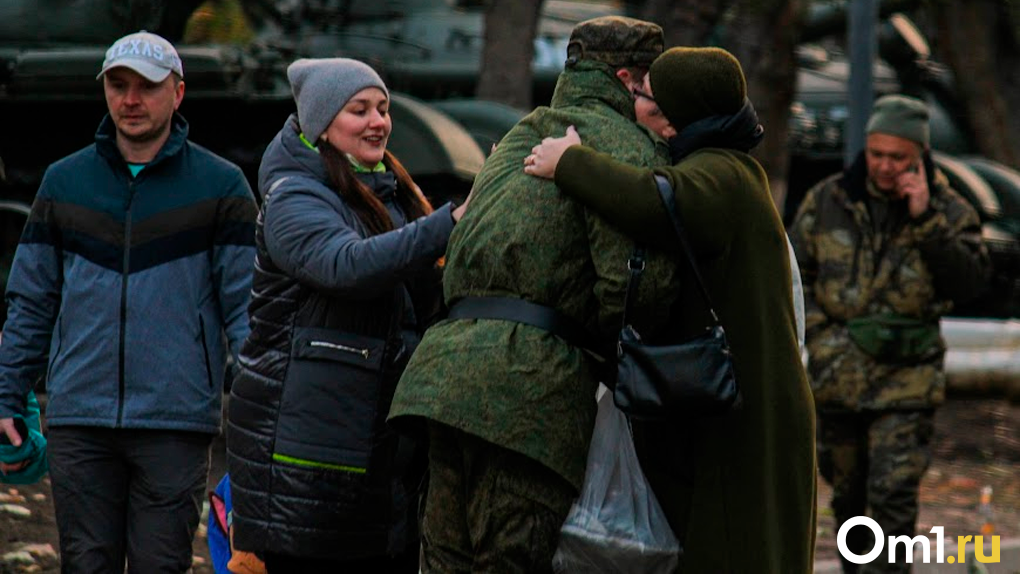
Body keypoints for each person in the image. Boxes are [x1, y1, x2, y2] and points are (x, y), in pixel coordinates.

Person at [388, 16, 683, 573]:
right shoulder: (626, 147)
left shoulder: (517, 138)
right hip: (529, 390)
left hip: (441, 379)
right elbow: (636, 290)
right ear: (627, 78)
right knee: (510, 557)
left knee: (448, 558)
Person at [525, 46, 817, 573]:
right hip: (738, 405)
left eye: (646, 97)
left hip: (739, 415)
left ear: (678, 113)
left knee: (735, 546)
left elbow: (659, 203)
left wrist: (570, 162)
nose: (637, 103)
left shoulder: (723, 174)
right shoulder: (730, 168)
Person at [0, 30, 258, 572]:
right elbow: (31, 301)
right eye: (119, 85)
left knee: (159, 565)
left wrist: (263, 415)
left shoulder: (222, 186)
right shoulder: (64, 182)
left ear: (178, 93)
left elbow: (247, 312)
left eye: (147, 86)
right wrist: (6, 396)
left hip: (176, 423)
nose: (131, 99)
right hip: (80, 419)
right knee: (86, 564)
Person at [225, 57, 469, 572]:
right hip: (307, 460)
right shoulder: (294, 194)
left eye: (382, 108)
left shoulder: (391, 190)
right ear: (321, 123)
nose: (378, 121)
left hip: (373, 457)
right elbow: (345, 265)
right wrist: (452, 221)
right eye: (359, 109)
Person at [788, 94, 991, 572]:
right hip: (838, 381)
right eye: (876, 153)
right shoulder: (829, 200)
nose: (883, 166)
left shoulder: (950, 211)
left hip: (906, 382)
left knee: (892, 501)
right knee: (849, 502)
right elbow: (798, 279)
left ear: (919, 155)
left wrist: (926, 221)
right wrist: (824, 339)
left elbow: (970, 284)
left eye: (896, 157)